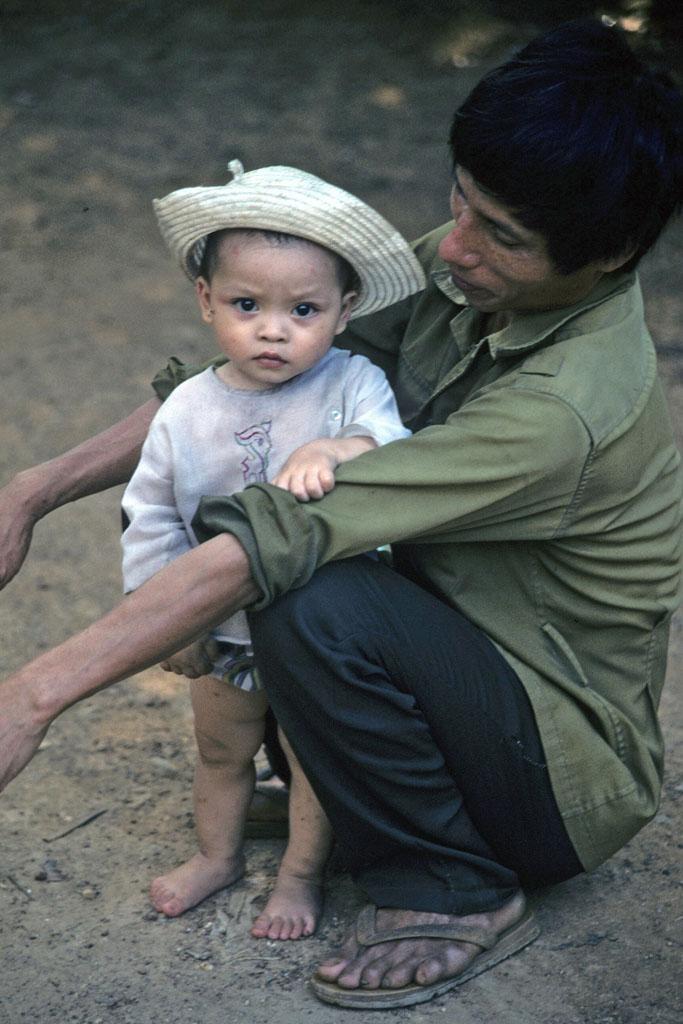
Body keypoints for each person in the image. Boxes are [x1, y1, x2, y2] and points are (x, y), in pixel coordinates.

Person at [0, 18, 682, 1010]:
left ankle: (457, 886)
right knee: (302, 565)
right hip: (454, 667)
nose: (453, 246)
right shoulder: (466, 276)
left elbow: (288, 532)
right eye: (460, 202)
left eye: (500, 235)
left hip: (552, 769)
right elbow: (239, 381)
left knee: (313, 594)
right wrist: (33, 489)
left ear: (610, 252)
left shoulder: (564, 406)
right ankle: (372, 803)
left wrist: (30, 696)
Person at [120, 161, 419, 937]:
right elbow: (150, 512)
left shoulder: (353, 383)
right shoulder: (188, 408)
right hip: (221, 633)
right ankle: (217, 857)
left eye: (304, 309)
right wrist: (168, 621)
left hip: (320, 637)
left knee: (312, 759)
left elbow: (395, 445)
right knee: (221, 751)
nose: (274, 330)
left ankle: (298, 876)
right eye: (246, 305)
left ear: (345, 309)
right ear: (206, 300)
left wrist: (341, 445)